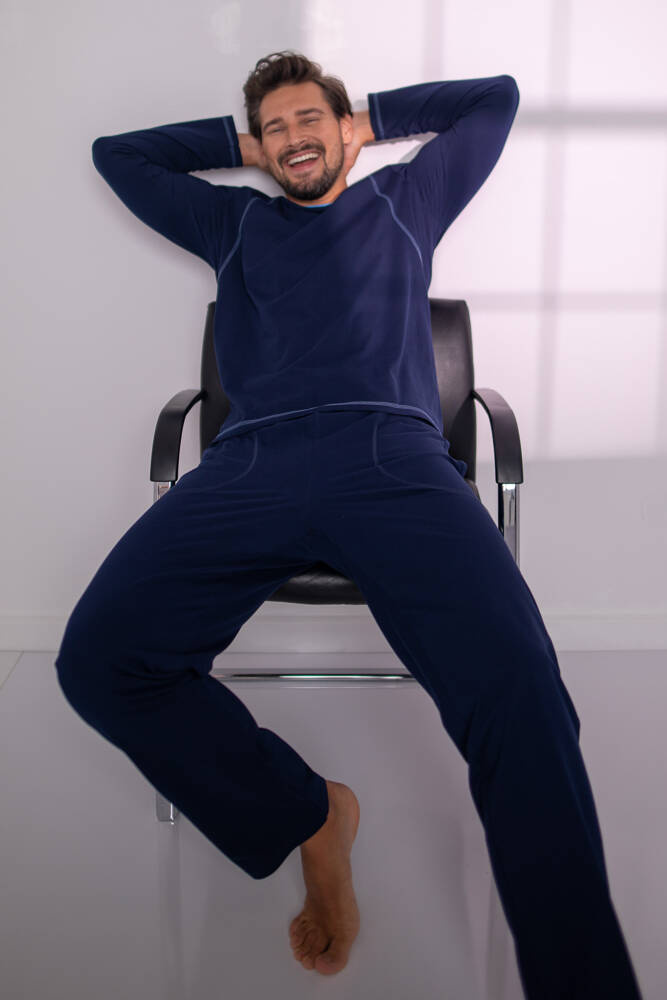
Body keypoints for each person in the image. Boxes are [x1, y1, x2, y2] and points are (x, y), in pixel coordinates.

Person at [55, 50, 643, 997]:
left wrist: (369, 118)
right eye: (274, 128)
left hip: (392, 460)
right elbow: (116, 155)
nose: (292, 138)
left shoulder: (406, 200)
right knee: (97, 662)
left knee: (521, 691)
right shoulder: (233, 223)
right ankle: (310, 814)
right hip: (251, 462)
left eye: (308, 120)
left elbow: (494, 99)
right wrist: (239, 146)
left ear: (343, 130)